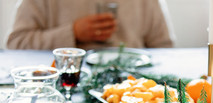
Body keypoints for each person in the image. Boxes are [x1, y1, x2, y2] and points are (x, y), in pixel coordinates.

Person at [6, 0, 174, 50]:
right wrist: (73, 33)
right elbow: (17, 43)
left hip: (133, 87)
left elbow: (164, 47)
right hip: (63, 85)